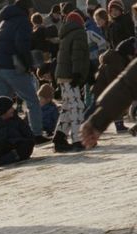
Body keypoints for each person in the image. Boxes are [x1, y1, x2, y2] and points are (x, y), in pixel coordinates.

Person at [0, 0, 49, 144]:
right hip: (13, 66)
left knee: (1, 105)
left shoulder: (4, 21)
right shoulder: (22, 21)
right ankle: (36, 133)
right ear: (27, 9)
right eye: (31, 10)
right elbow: (22, 44)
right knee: (32, 101)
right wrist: (29, 64)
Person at [52, 12, 90, 153]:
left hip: (62, 76)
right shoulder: (79, 33)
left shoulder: (66, 34)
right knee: (76, 107)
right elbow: (78, 55)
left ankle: (59, 138)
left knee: (68, 107)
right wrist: (77, 74)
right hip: (71, 75)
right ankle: (77, 139)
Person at [80, 57, 137, 148]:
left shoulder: (108, 64)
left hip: (104, 93)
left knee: (92, 106)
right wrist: (98, 121)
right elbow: (128, 85)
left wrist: (98, 120)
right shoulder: (112, 65)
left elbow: (127, 85)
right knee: (92, 106)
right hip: (102, 92)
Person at [91, 37, 136, 132]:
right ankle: (89, 126)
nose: (132, 57)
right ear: (126, 53)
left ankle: (89, 125)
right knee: (97, 109)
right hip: (104, 89)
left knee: (95, 109)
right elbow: (114, 79)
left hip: (103, 89)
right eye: (131, 55)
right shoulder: (116, 62)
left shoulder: (116, 59)